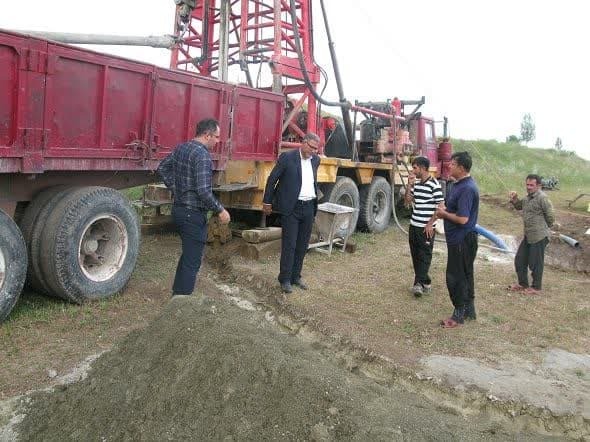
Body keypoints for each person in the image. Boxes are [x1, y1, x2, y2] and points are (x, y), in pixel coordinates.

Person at [157, 118, 231, 296]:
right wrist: (220, 210)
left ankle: (178, 292)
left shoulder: (181, 148)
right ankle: (181, 301)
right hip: (192, 215)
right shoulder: (203, 155)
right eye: (217, 137)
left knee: (188, 255)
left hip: (179, 210)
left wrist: (175, 187)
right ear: (207, 135)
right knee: (193, 260)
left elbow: (162, 168)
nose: (218, 140)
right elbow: (204, 191)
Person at [262, 133, 321, 294]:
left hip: (309, 207)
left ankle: (296, 276)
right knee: (290, 245)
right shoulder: (287, 158)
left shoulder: (316, 160)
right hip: (292, 207)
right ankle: (285, 279)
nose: (314, 151)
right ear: (303, 143)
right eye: (311, 147)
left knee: (302, 245)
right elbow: (272, 179)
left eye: (316, 149)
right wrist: (267, 201)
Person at [435, 151, 479, 328]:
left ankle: (458, 314)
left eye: (453, 164)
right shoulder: (458, 185)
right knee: (466, 275)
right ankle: (470, 311)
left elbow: (463, 219)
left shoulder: (467, 188)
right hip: (460, 239)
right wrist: (445, 207)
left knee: (455, 277)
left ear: (461, 167)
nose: (449, 166)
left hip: (462, 240)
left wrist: (443, 213)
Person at [508, 174, 555, 295]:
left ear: (538, 186)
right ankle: (523, 284)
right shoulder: (527, 198)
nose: (528, 187)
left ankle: (536, 287)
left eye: (531, 185)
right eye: (527, 184)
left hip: (539, 236)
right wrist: (514, 198)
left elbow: (550, 217)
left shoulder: (542, 198)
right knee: (520, 260)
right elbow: (519, 206)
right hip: (528, 235)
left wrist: (545, 229)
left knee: (536, 263)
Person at [404, 156, 444, 297]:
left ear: (422, 168)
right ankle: (425, 281)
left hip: (426, 228)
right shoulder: (418, 184)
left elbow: (441, 207)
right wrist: (409, 185)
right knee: (416, 255)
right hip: (414, 225)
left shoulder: (434, 185)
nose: (413, 171)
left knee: (424, 255)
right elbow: (408, 200)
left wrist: (430, 224)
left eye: (415, 168)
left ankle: (418, 284)